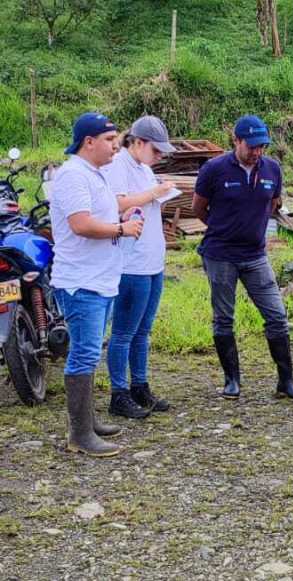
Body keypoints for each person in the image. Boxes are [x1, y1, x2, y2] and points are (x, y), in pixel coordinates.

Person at [192, 115, 293, 402]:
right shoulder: (214, 169)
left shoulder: (272, 169)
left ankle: (286, 381)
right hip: (220, 255)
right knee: (224, 318)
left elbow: (273, 204)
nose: (257, 152)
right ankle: (232, 380)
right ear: (236, 141)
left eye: (262, 147)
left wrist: (252, 229)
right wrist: (225, 228)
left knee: (277, 317)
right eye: (251, 146)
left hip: (255, 255)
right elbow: (199, 209)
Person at [50, 112, 143, 457]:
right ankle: (79, 435)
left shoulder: (96, 174)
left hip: (101, 279)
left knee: (91, 351)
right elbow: (81, 224)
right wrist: (121, 229)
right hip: (82, 281)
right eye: (109, 141)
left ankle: (87, 422)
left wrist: (122, 219)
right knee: (84, 353)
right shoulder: (73, 175)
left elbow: (99, 218)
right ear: (88, 142)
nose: (115, 147)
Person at [103, 116, 176, 419]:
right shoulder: (117, 165)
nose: (159, 156)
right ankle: (118, 392)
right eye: (156, 150)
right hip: (131, 263)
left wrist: (159, 192)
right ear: (138, 142)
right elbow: (118, 204)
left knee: (143, 331)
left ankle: (140, 385)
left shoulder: (145, 169)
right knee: (123, 332)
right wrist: (155, 193)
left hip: (152, 260)